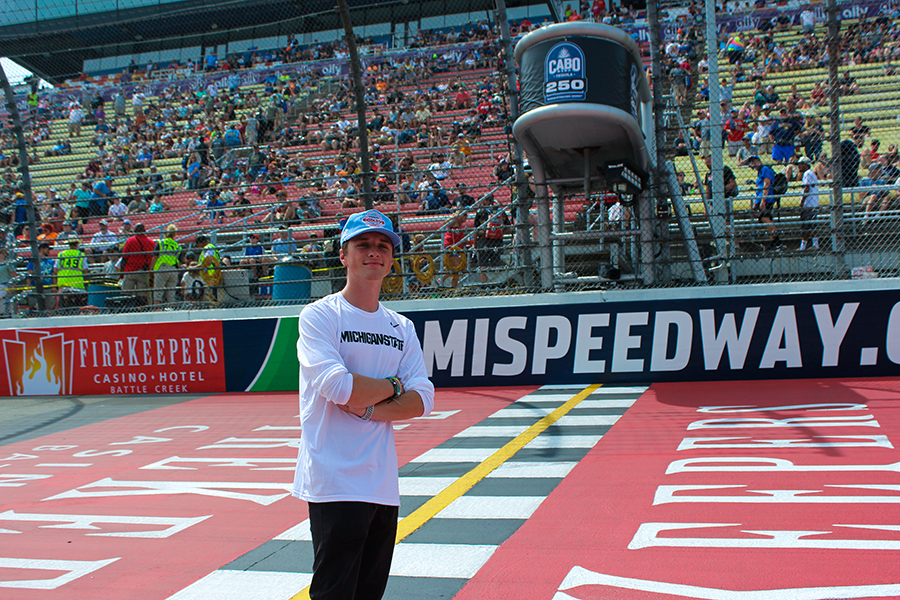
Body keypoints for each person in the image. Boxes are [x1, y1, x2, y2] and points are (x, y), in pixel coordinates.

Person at [292, 208, 434, 600]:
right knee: (334, 592)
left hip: (382, 482)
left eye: (382, 246)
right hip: (334, 480)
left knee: (370, 592)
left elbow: (422, 397)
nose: (374, 252)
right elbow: (338, 387)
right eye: (363, 244)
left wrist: (370, 407)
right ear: (343, 255)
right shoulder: (320, 315)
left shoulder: (400, 326)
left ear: (391, 259)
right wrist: (393, 384)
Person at [748, 155, 782, 250]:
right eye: (752, 162)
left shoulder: (765, 169)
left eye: (755, 161)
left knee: (766, 218)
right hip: (760, 199)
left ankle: (777, 241)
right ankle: (773, 242)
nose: (754, 163)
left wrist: (763, 200)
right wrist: (755, 205)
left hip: (766, 199)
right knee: (766, 219)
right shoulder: (759, 173)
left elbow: (767, 184)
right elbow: (758, 189)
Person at [120, 223, 155, 304]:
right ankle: (144, 308)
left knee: (127, 294)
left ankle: (127, 308)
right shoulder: (151, 242)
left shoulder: (130, 240)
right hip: (143, 271)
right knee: (143, 295)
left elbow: (124, 258)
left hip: (130, 271)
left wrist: (121, 273)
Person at [153, 224, 182, 305]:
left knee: (158, 293)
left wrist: (152, 269)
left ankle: (157, 310)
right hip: (173, 270)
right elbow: (179, 260)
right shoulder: (177, 245)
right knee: (171, 295)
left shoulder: (161, 243)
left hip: (162, 268)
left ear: (166, 233)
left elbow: (155, 257)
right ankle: (172, 310)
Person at [56, 237, 88, 308]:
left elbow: (55, 269)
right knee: (78, 306)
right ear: (77, 244)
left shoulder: (61, 254)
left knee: (63, 306)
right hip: (77, 284)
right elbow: (85, 270)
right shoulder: (81, 255)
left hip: (63, 284)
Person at [797, 158, 820, 251]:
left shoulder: (807, 173)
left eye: (801, 164)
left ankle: (805, 246)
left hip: (809, 205)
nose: (799, 166)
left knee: (806, 226)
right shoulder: (811, 173)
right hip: (813, 204)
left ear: (806, 164)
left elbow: (806, 188)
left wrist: (802, 202)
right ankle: (814, 244)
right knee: (811, 225)